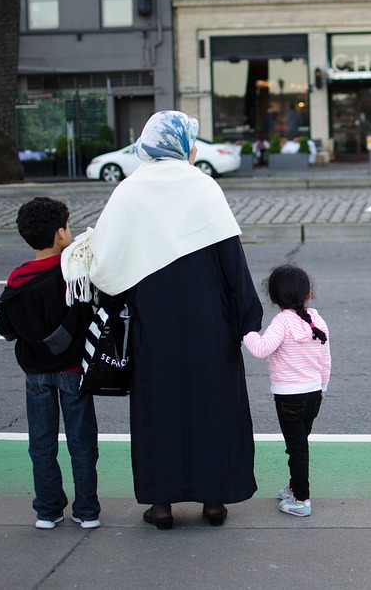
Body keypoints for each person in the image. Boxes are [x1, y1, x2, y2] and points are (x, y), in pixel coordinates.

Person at [61, 111, 263, 530]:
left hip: (153, 323)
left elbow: (107, 266)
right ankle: (214, 501)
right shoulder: (203, 186)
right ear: (183, 145)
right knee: (213, 408)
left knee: (159, 410)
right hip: (211, 324)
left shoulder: (129, 191)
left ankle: (161, 505)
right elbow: (232, 260)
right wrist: (247, 317)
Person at [0, 197, 99, 530]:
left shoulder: (17, 278)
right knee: (82, 443)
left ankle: (47, 510)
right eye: (68, 226)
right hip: (73, 370)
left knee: (41, 442)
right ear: (60, 234)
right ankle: (86, 511)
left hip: (35, 373)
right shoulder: (74, 274)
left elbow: (6, 328)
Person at [242, 264, 331, 517]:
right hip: (314, 395)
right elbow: (326, 358)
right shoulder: (317, 318)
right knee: (299, 445)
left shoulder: (281, 322)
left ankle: (301, 500)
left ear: (273, 298)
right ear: (308, 294)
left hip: (288, 398)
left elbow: (260, 349)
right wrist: (323, 386)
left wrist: (244, 331)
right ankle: (294, 486)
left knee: (297, 449)